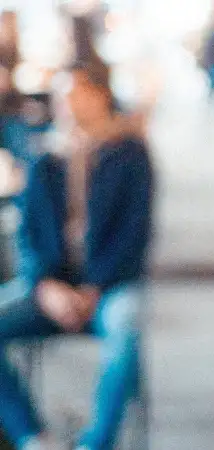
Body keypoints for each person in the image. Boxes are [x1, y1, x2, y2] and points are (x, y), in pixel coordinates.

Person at [0, 61, 153, 450]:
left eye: (76, 94)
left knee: (125, 332)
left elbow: (134, 235)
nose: (67, 104)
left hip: (110, 287)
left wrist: (94, 289)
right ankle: (34, 438)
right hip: (52, 287)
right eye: (61, 97)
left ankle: (95, 444)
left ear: (100, 96)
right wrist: (44, 285)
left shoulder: (129, 153)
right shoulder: (45, 156)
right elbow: (28, 235)